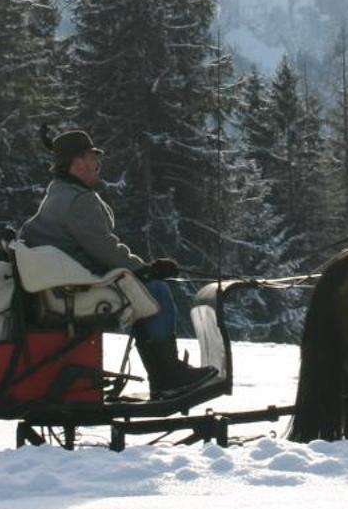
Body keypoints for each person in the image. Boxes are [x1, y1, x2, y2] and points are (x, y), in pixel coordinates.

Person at [18, 128, 215, 397]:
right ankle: (168, 376)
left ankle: (165, 374)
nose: (98, 164)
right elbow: (105, 250)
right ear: (77, 164)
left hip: (64, 285)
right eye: (92, 158)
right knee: (154, 290)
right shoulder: (78, 201)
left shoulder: (59, 193)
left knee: (145, 287)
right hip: (75, 289)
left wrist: (142, 269)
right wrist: (146, 270)